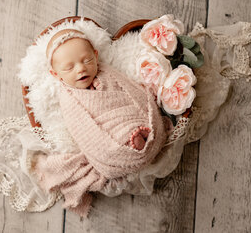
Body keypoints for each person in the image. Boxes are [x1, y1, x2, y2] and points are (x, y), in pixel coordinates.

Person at [32, 28, 171, 217]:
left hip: (126, 116)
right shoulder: (69, 99)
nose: (81, 68)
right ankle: (128, 144)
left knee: (132, 121)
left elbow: (130, 93)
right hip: (108, 135)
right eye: (69, 67)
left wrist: (104, 87)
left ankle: (139, 134)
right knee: (120, 135)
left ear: (96, 56)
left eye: (87, 60)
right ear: (56, 74)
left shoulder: (107, 73)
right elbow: (83, 130)